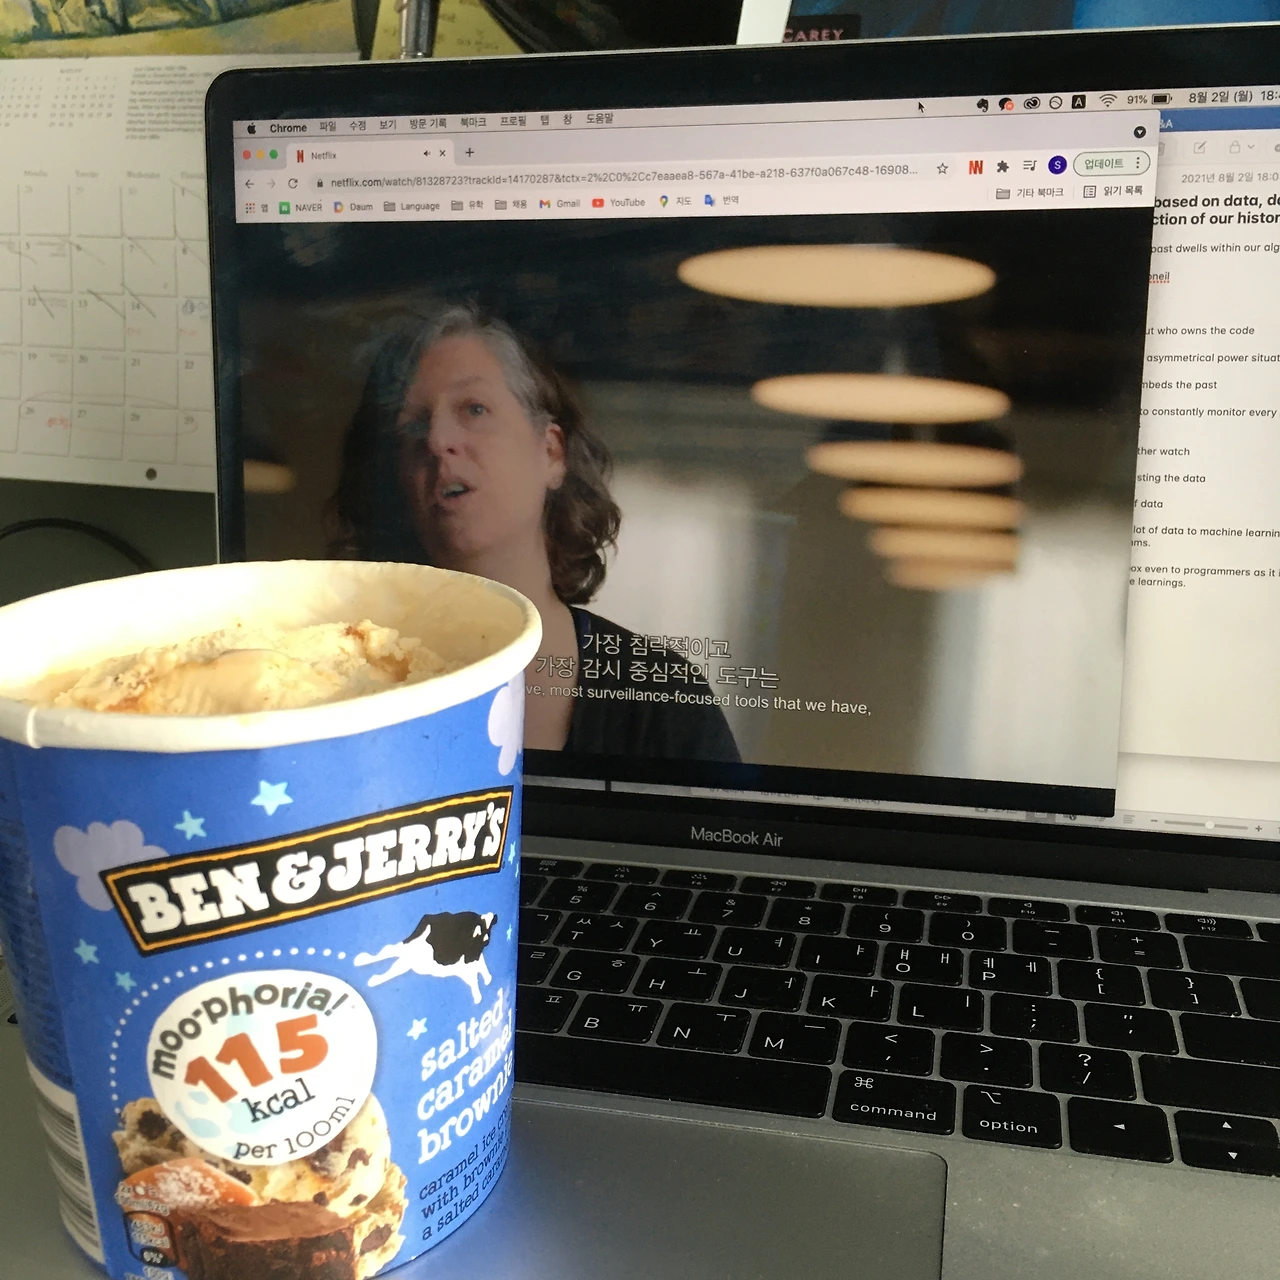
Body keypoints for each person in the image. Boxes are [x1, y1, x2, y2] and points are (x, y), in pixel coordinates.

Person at [327, 303, 739, 762]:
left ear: (551, 453)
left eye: (474, 409)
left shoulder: (664, 701)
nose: (438, 440)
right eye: (415, 426)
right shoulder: (338, 685)